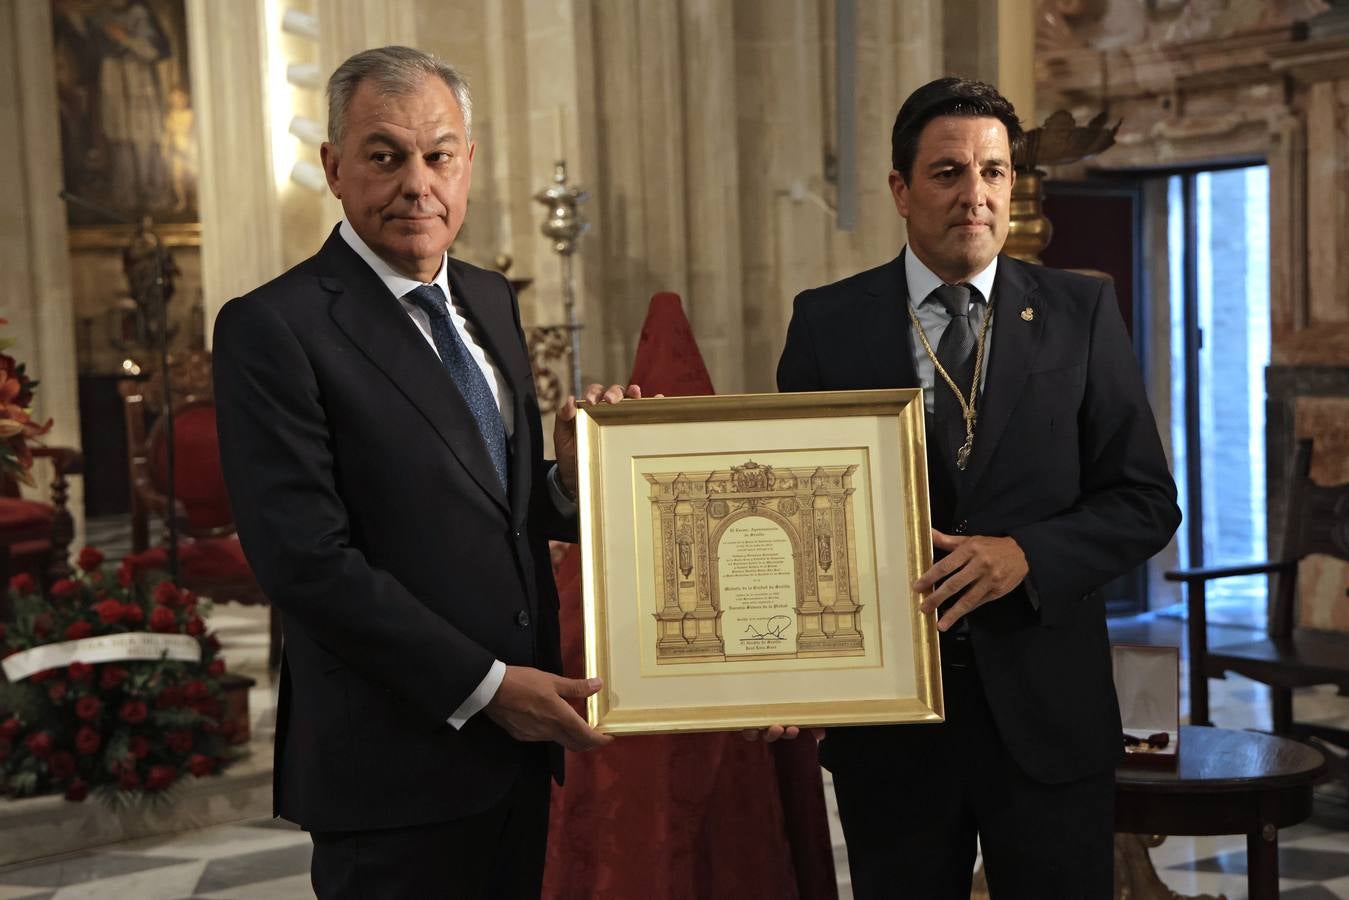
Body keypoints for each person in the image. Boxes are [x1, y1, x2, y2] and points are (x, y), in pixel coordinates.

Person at [213, 46, 636, 899]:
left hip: (515, 751)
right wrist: (485, 689)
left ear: (467, 165)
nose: (417, 182)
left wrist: (574, 477)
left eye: (438, 155)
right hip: (392, 764)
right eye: (384, 155)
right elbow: (306, 561)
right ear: (333, 168)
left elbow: (497, 503)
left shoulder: (488, 298)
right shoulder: (274, 327)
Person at [774, 77, 1181, 899]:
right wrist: (782, 661)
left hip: (1046, 712)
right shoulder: (827, 322)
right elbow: (797, 513)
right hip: (890, 721)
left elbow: (1144, 501)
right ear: (900, 188)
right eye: (948, 172)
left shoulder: (1080, 311)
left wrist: (1027, 554)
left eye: (992, 172)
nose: (975, 196)